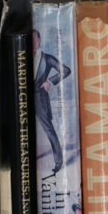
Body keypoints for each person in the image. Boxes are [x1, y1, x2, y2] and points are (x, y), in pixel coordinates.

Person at [33, 29, 71, 173]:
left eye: (34, 40)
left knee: (49, 130)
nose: (32, 43)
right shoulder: (22, 55)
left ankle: (58, 162)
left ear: (39, 41)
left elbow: (66, 70)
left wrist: (50, 81)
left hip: (40, 98)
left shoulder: (47, 59)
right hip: (23, 97)